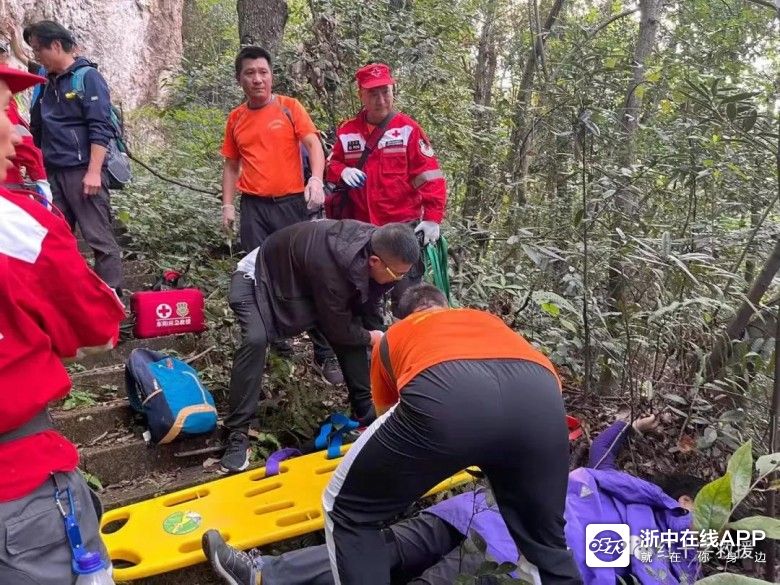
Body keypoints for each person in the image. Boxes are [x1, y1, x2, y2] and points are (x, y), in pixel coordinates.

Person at [201, 415, 704, 585]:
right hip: (486, 514)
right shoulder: (625, 493)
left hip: (512, 556)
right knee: (382, 550)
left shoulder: (677, 551)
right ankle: (264, 574)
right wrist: (630, 426)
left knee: (402, 564)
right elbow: (602, 459)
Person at [320, 284, 581, 584]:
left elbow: (388, 419)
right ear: (447, 305)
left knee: (349, 511)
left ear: (401, 318)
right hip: (542, 399)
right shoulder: (486, 320)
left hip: (448, 395)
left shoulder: (395, 336)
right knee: (545, 547)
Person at [0, 65, 127, 584]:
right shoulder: (17, 230)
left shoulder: (83, 81)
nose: (14, 128)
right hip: (18, 482)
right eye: (1, 112)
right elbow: (97, 329)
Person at [219, 220, 420, 473]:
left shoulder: (372, 248)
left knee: (357, 330)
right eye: (397, 275)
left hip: (299, 289)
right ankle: (237, 433)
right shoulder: (330, 264)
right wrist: (372, 337)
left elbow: (366, 311)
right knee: (256, 340)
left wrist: (382, 338)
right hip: (257, 279)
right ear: (375, 262)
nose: (399, 281)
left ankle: (366, 414)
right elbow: (338, 327)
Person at [222, 45, 341, 384]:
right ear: (239, 79)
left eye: (263, 72)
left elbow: (313, 144)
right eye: (250, 73)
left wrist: (316, 179)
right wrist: (228, 204)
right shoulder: (236, 118)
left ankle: (324, 352)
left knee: (310, 272)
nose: (257, 79)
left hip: (292, 205)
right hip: (255, 208)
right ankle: (279, 346)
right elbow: (231, 165)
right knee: (260, 274)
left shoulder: (290, 108)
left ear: (271, 75)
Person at [326, 63, 447, 315]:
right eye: (373, 93)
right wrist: (341, 171)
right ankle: (371, 346)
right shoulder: (347, 132)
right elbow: (331, 165)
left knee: (407, 298)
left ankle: (407, 347)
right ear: (361, 94)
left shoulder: (408, 130)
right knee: (362, 298)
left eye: (386, 92)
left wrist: (433, 218)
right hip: (361, 232)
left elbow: (431, 175)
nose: (381, 100)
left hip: (402, 229)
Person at [24, 20, 123, 295]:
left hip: (82, 172)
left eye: (37, 50)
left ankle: (111, 300)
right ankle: (67, 303)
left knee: (99, 239)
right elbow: (37, 128)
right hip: (52, 174)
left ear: (56, 45)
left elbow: (100, 126)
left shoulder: (87, 77)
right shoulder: (43, 83)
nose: (35, 56)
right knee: (55, 240)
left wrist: (94, 171)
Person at [0, 41, 51, 203]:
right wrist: (40, 176)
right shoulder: (3, 95)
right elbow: (21, 142)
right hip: (8, 182)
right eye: (3, 55)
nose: (5, 59)